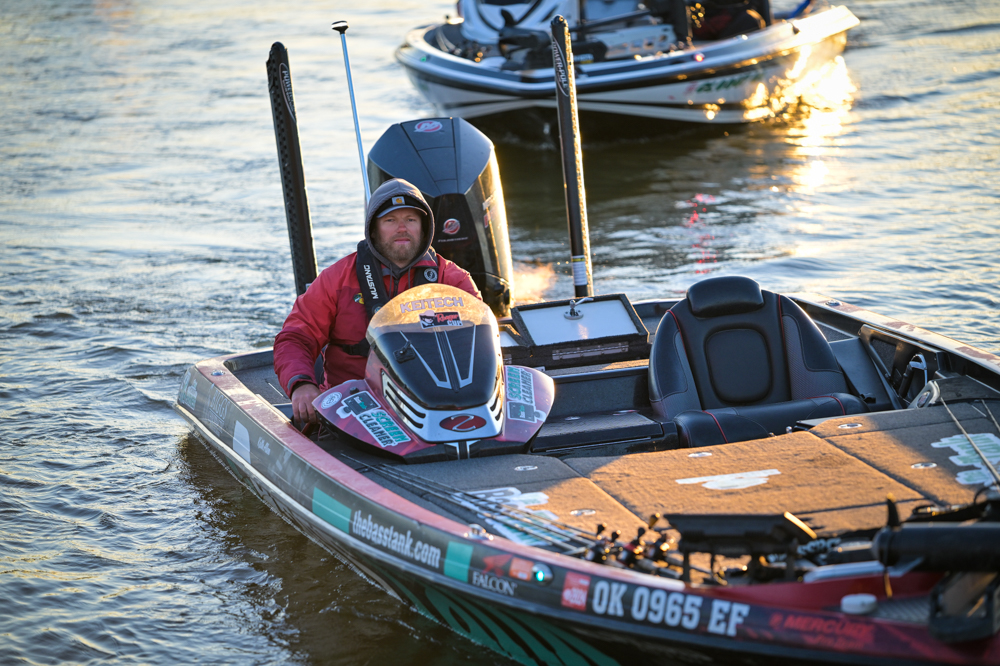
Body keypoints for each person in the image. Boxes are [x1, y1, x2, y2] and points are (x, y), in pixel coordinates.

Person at [274, 178, 481, 424]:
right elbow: (295, 337)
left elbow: (482, 342)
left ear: (425, 228)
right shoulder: (336, 279)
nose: (402, 228)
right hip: (351, 411)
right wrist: (301, 384)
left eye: (411, 220)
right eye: (390, 220)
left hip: (436, 407)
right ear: (373, 229)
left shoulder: (453, 281)